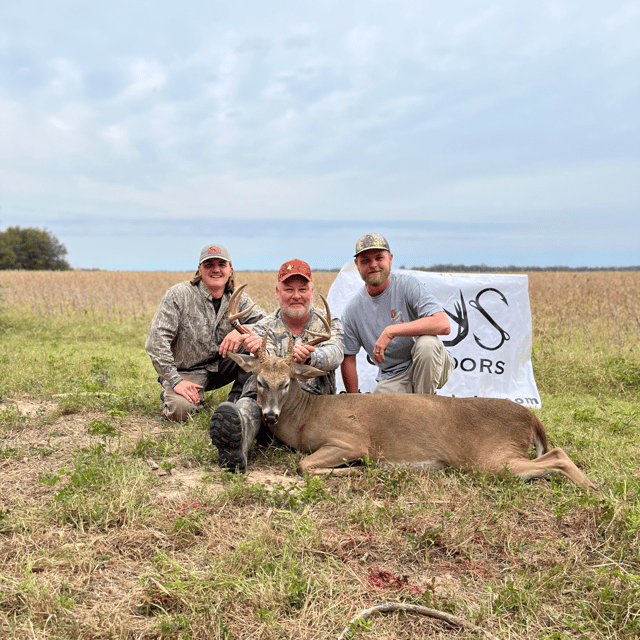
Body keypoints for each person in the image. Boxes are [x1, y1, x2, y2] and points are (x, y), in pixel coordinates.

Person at [210, 258, 344, 473]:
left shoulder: (327, 325)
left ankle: (266, 436)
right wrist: (253, 349)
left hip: (313, 407)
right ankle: (237, 443)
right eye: (288, 289)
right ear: (278, 292)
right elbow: (263, 361)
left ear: (312, 290)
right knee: (258, 386)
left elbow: (336, 354)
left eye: (302, 289)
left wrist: (312, 356)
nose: (296, 295)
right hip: (269, 404)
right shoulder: (264, 326)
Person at [145, 243, 266, 422]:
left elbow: (268, 324)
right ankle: (172, 390)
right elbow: (156, 342)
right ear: (199, 270)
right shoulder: (179, 295)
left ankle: (237, 402)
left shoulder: (238, 299)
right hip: (186, 371)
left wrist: (243, 333)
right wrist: (175, 380)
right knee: (180, 411)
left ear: (230, 270)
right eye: (209, 265)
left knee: (256, 347)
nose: (216, 270)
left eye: (221, 265)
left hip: (222, 366)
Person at [340, 233, 453, 395]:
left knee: (427, 344)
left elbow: (443, 324)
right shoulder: (352, 310)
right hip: (393, 375)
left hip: (430, 363)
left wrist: (391, 331)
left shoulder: (408, 285)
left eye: (379, 258)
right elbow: (348, 358)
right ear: (357, 264)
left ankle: (425, 407)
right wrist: (353, 399)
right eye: (365, 260)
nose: (373, 265)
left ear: (390, 259)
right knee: (378, 412)